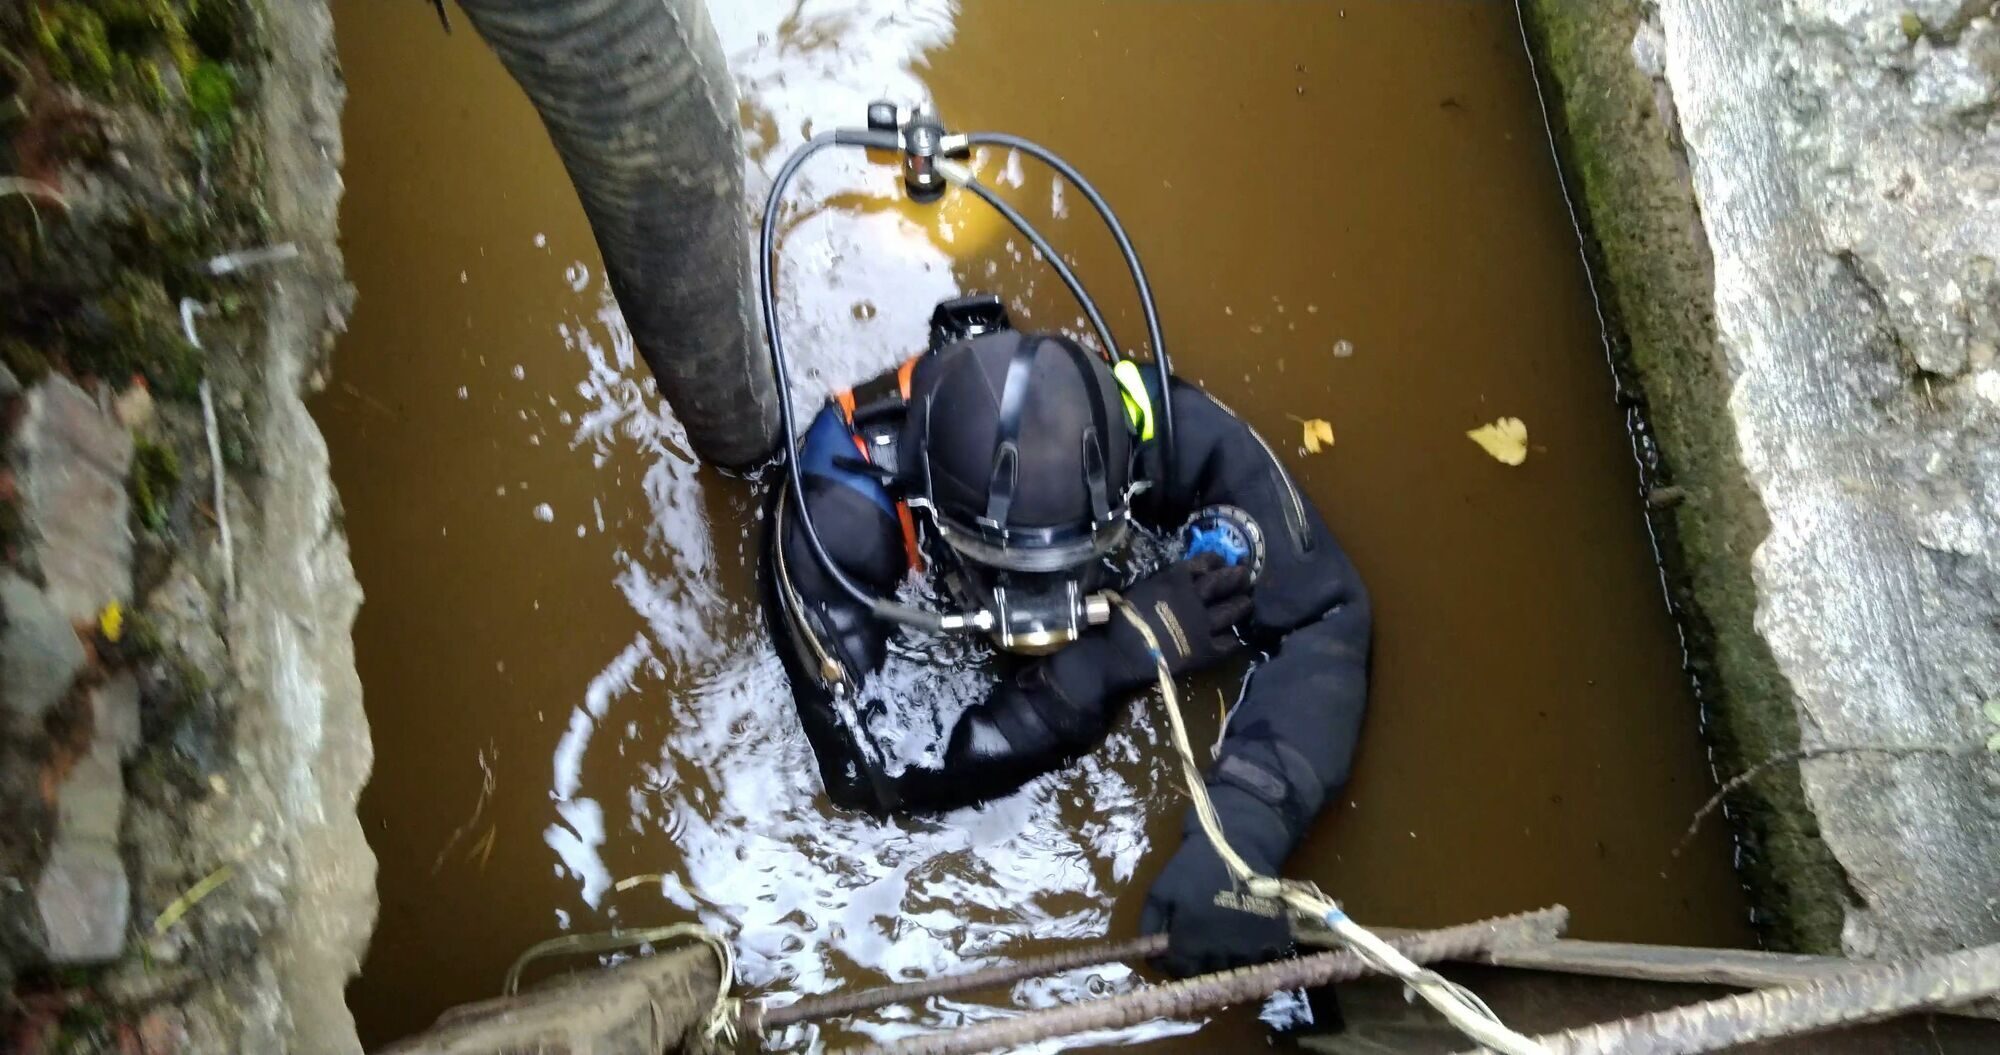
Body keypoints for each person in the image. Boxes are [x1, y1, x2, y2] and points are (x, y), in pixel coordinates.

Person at [762, 295, 1371, 978]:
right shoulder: (839, 509)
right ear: (930, 512)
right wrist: (1101, 663)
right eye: (1019, 577)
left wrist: (1244, 830)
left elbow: (1325, 612)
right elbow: (866, 769)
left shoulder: (1151, 422)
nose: (1053, 605)